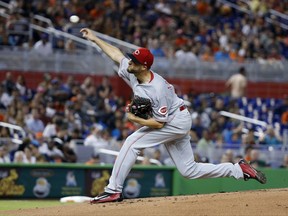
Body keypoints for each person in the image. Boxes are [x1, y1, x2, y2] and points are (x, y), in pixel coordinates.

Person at [80, 28, 266, 204]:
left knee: (132, 142)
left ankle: (113, 190)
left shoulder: (157, 88)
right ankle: (238, 170)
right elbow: (116, 54)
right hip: (176, 117)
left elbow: (159, 124)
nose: (128, 62)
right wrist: (95, 38)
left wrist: (135, 119)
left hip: (175, 121)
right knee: (189, 170)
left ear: (143, 66)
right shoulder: (133, 73)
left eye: (133, 61)